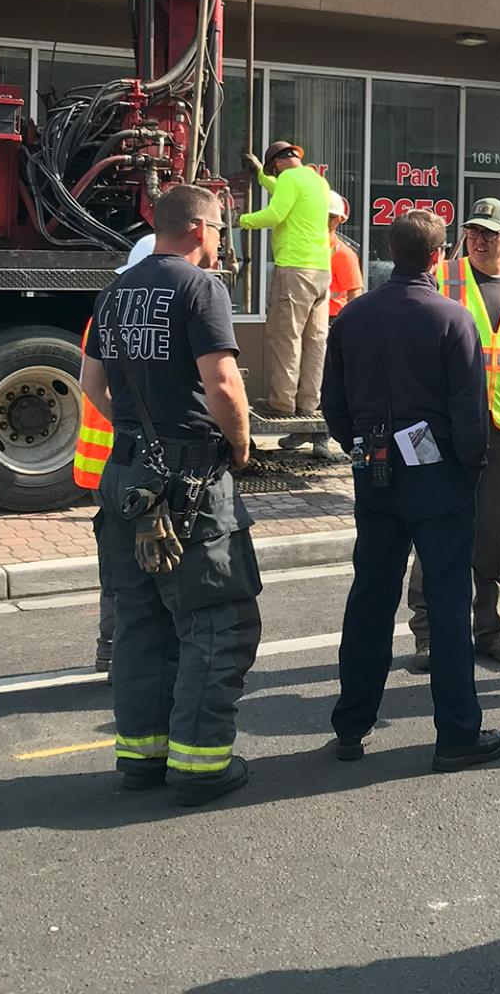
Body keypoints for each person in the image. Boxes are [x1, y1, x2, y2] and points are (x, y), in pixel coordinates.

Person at [79, 186, 261, 807]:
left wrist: (135, 430)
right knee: (215, 621)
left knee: (140, 624)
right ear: (201, 228)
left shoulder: (115, 290)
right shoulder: (200, 288)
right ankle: (201, 766)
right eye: (219, 231)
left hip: (126, 477)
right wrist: (239, 446)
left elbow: (92, 382)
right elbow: (223, 382)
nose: (219, 244)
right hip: (190, 483)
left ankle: (141, 757)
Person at [321, 209, 500, 773]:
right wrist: (468, 468)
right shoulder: (452, 319)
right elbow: (470, 412)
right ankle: (456, 732)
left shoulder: (353, 317)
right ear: (438, 256)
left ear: (390, 253)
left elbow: (333, 404)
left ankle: (352, 726)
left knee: (370, 596)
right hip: (439, 478)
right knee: (448, 601)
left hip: (373, 470)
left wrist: (359, 443)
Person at [405, 198, 500, 672]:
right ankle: (428, 633)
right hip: (448, 429)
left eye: (490, 233)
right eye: (473, 231)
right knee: (437, 529)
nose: (479, 239)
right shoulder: (443, 279)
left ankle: (490, 628)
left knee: (496, 536)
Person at [72, 232, 157, 678]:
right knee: (140, 566)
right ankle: (127, 652)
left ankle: (110, 649)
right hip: (129, 460)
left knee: (115, 568)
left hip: (102, 465)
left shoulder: (104, 314)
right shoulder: (147, 319)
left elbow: (91, 383)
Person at [237, 139, 332, 418]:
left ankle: (281, 403)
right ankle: (307, 403)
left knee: (286, 337)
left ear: (278, 163)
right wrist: (261, 176)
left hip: (295, 269)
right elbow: (282, 192)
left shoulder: (289, 178)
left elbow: (276, 213)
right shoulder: (317, 181)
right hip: (320, 271)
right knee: (315, 341)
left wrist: (240, 220)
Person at [285, 194, 362, 459]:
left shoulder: (343, 254)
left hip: (332, 323)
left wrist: (349, 329)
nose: (324, 222)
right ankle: (302, 428)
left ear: (339, 221)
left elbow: (355, 293)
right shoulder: (307, 247)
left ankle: (321, 436)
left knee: (324, 381)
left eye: (330, 218)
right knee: (302, 374)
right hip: (308, 318)